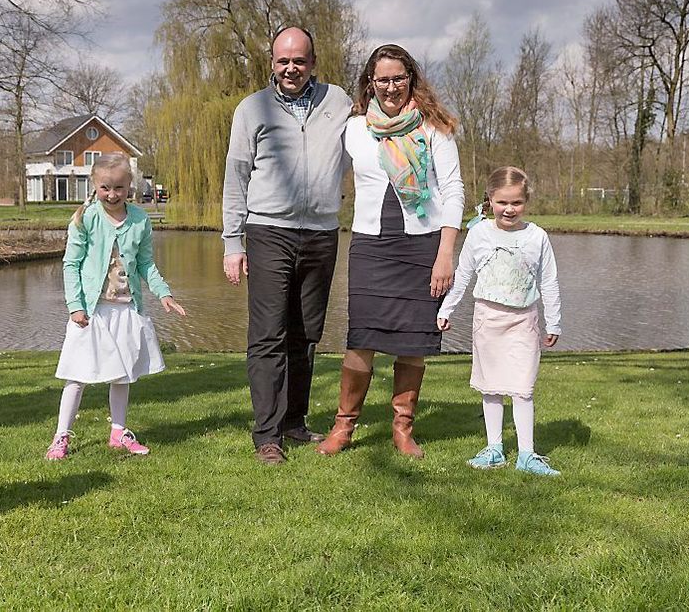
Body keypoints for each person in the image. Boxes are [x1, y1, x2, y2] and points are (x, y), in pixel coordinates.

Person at [317, 43, 464, 458]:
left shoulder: (435, 129)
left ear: (410, 79)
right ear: (370, 83)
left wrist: (445, 254)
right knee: (360, 337)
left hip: (423, 246)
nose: (391, 86)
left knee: (414, 341)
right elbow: (321, 172)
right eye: (382, 79)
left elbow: (453, 191)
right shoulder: (355, 130)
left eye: (399, 78)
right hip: (370, 246)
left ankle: (403, 430)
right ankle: (343, 427)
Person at [222, 26, 353, 465]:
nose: (291, 68)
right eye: (283, 60)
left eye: (299, 60)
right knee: (268, 334)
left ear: (313, 62)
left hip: (320, 233)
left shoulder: (338, 103)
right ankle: (267, 435)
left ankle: (294, 421)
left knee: (306, 334)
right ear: (272, 63)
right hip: (268, 231)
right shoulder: (252, 108)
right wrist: (232, 242)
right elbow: (236, 177)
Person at [46, 153, 186, 460]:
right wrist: (75, 305)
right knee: (77, 374)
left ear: (130, 187)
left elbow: (147, 264)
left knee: (123, 374)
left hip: (126, 309)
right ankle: (61, 436)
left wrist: (163, 293)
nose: (112, 194)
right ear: (94, 184)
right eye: (105, 188)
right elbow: (71, 264)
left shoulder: (139, 220)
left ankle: (118, 432)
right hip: (91, 310)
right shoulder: (85, 218)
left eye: (119, 188)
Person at [437, 166, 562, 476]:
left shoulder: (536, 236)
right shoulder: (479, 234)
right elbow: (463, 274)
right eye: (503, 202)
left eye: (517, 203)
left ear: (526, 202)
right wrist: (446, 309)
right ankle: (494, 448)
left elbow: (549, 281)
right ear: (490, 199)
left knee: (523, 387)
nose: (509, 209)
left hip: (524, 321)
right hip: (488, 319)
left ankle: (526, 454)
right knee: (491, 386)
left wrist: (554, 322)